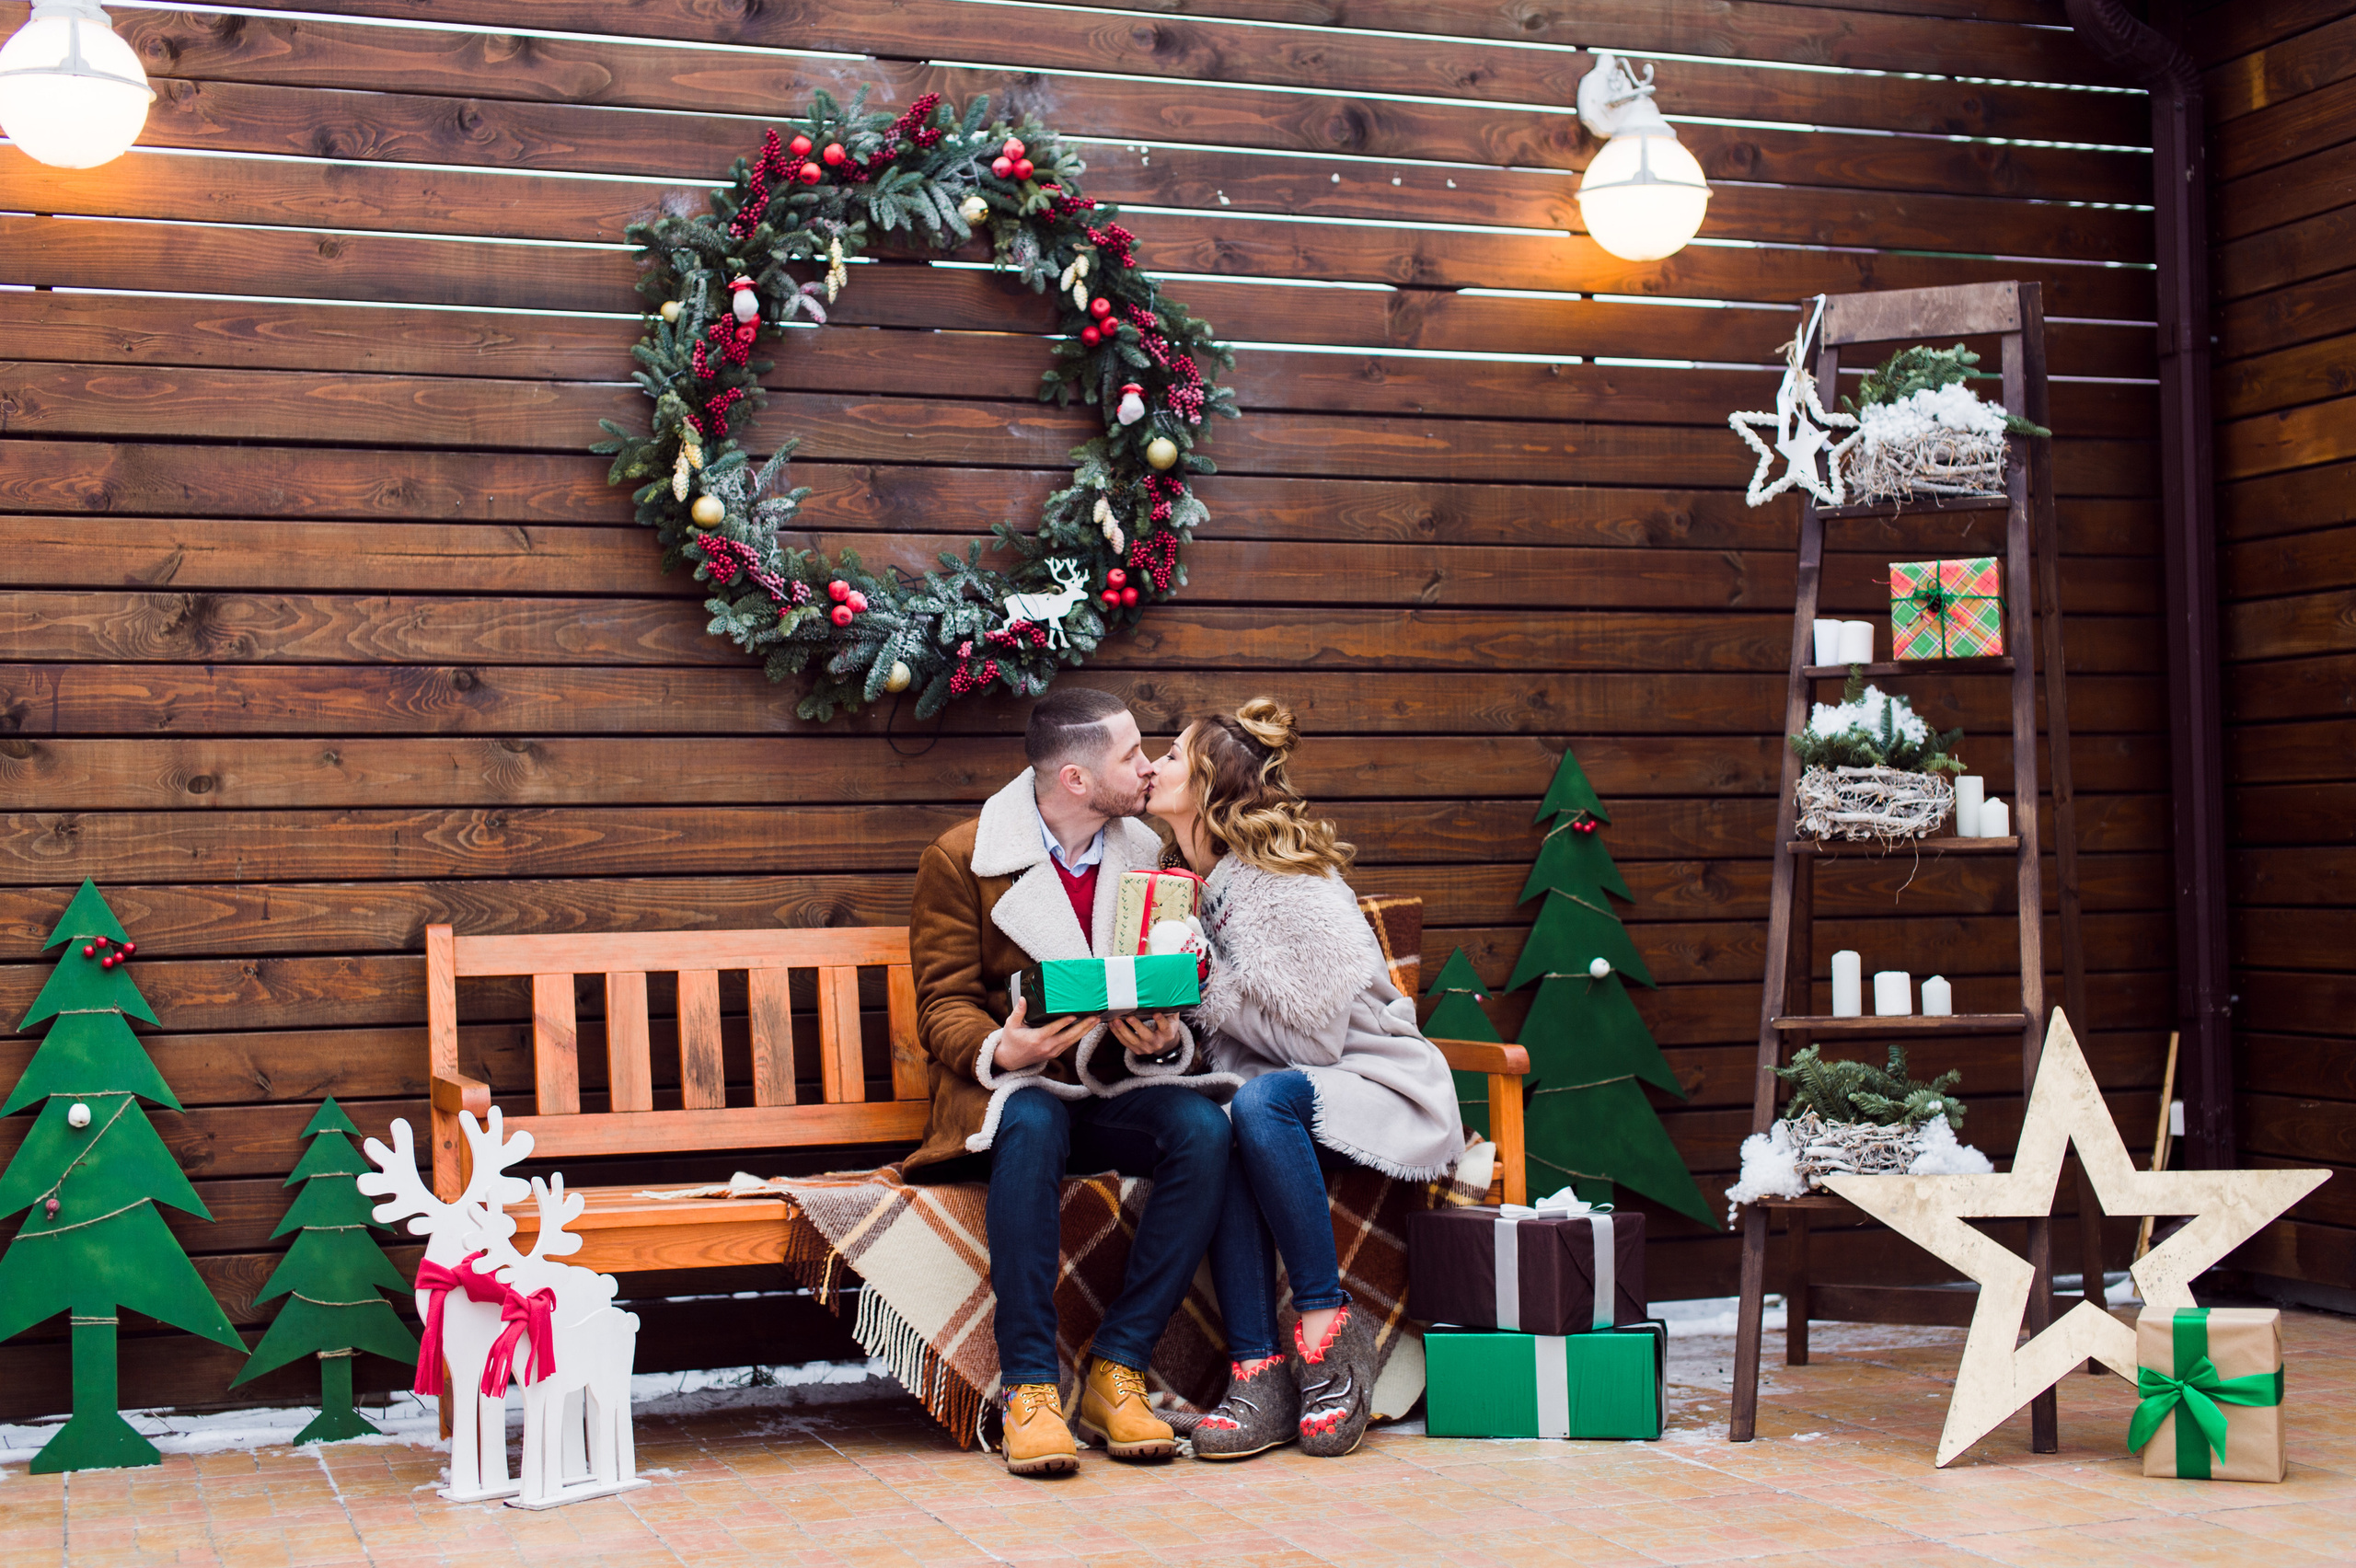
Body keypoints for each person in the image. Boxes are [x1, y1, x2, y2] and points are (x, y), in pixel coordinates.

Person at [906, 687, 1233, 1477]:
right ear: (1077, 781)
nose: (1147, 764)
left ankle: (1117, 1371)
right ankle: (1029, 1388)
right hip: (1013, 1095)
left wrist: (1163, 1039)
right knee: (1031, 1125)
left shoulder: (1150, 852)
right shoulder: (961, 858)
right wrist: (1001, 1048)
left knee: (1203, 1130)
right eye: (1129, 754)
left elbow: (1170, 975)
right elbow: (940, 1002)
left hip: (1110, 1085)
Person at [1146, 698, 1461, 1461]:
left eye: (1171, 756)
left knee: (1259, 1099)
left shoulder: (1287, 881)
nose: (1152, 766)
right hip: (1266, 1095)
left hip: (1370, 1076)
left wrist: (1200, 987)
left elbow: (1314, 1039)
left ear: (1209, 782)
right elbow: (1214, 1039)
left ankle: (1326, 1337)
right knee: (1217, 1123)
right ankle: (1257, 1374)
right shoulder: (1182, 881)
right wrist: (1162, 1030)